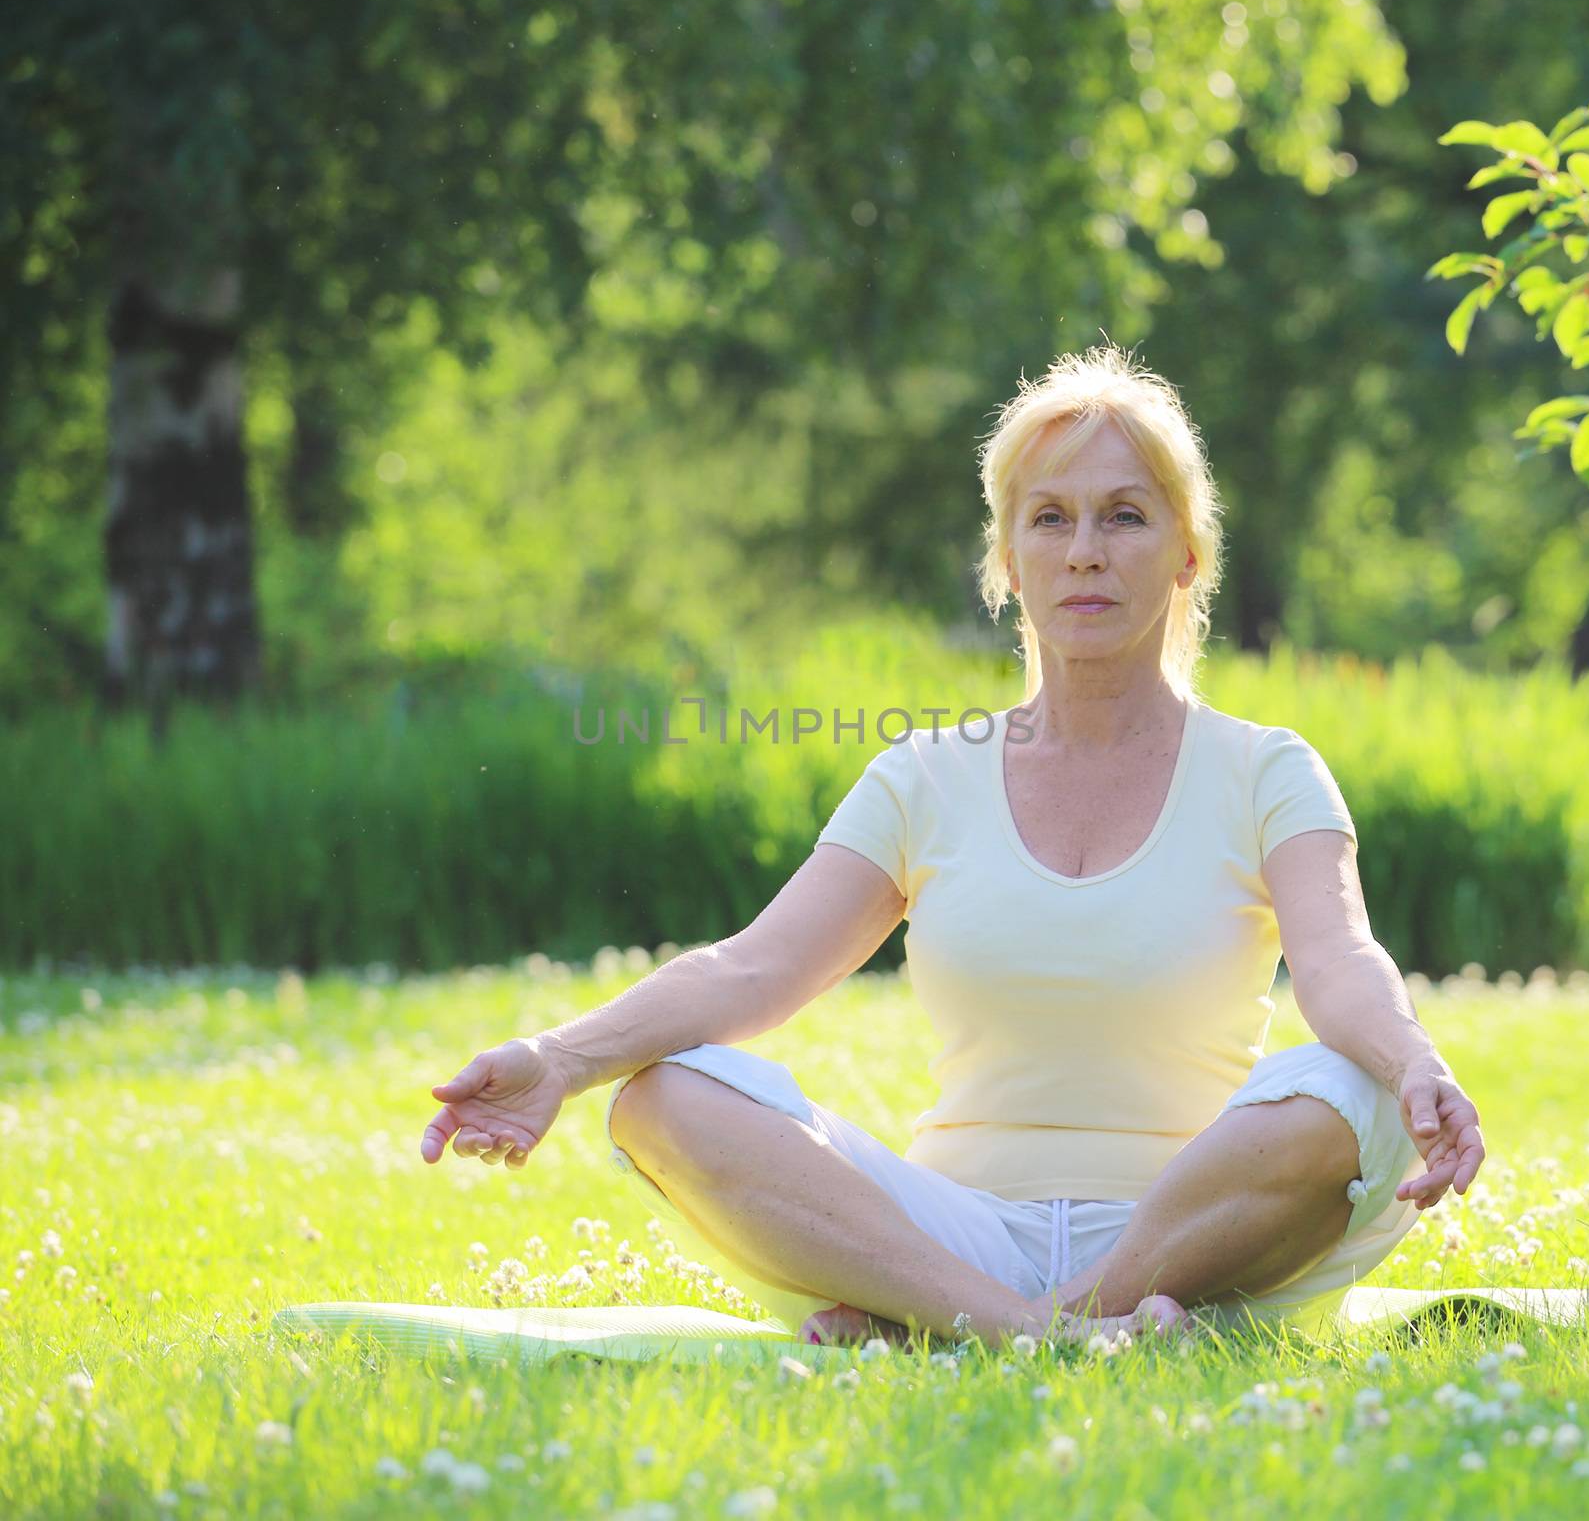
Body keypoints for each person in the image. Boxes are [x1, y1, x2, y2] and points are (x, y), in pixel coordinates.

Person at [419, 343, 1486, 1350]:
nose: (1083, 552)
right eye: (1049, 518)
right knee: (662, 1096)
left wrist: (1411, 1059)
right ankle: (1033, 1328)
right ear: (1007, 560)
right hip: (948, 1233)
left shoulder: (1266, 769)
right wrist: (559, 1060)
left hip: (1194, 1231)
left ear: (1185, 554)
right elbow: (752, 967)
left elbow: (1340, 959)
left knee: (1351, 1091)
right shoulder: (925, 777)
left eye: (1123, 516)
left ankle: (973, 1324)